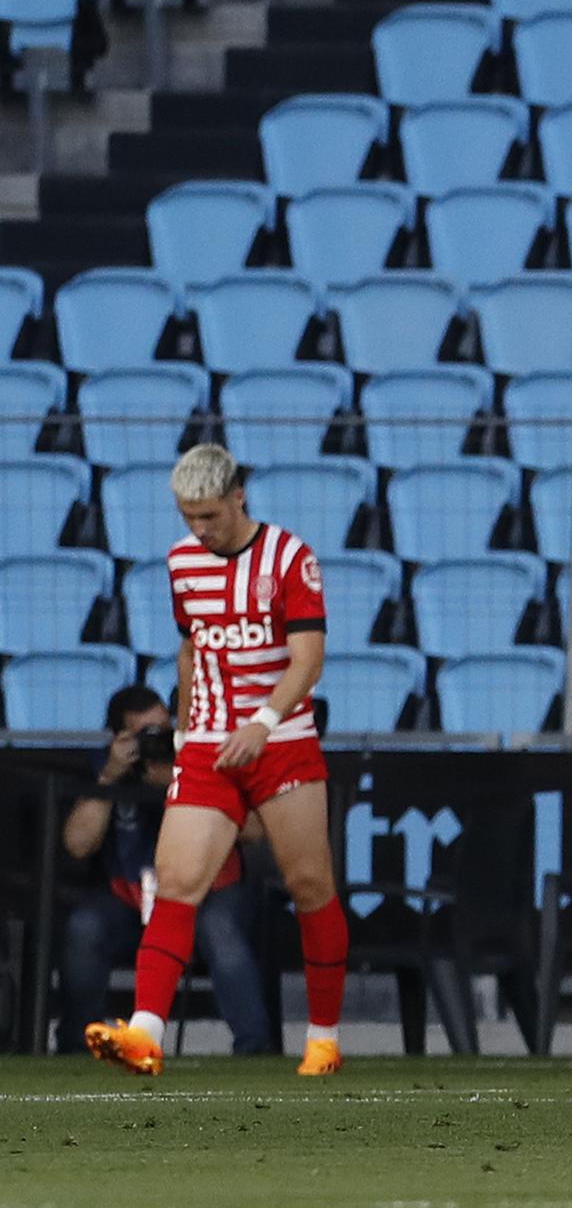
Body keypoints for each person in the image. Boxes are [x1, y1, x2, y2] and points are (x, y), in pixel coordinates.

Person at [86, 445, 347, 1077]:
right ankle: (146, 1033)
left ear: (238, 496)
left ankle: (324, 1039)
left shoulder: (290, 558)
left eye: (207, 515)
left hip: (280, 740)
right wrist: (187, 731)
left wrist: (262, 721)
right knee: (175, 883)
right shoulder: (181, 563)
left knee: (310, 886)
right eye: (187, 517)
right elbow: (190, 647)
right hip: (208, 744)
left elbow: (307, 658)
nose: (198, 529)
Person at [58, 685, 271, 1056]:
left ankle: (255, 1049)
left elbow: (254, 831)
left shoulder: (203, 757)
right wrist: (109, 777)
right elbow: (77, 844)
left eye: (163, 731)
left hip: (211, 895)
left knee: (219, 927)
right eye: (144, 736)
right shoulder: (108, 768)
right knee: (84, 927)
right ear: (119, 738)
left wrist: (184, 778)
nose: (156, 743)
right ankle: (76, 1047)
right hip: (130, 899)